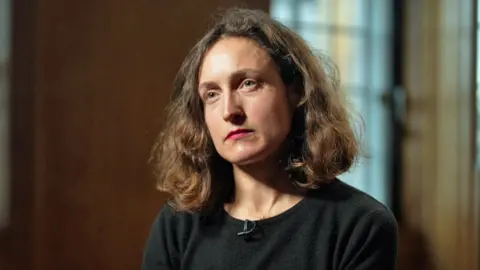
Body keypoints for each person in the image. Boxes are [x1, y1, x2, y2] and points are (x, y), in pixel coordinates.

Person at [143, 7, 398, 270]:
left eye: (248, 84)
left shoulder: (359, 225)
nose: (230, 110)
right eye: (212, 94)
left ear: (296, 92)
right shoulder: (178, 224)